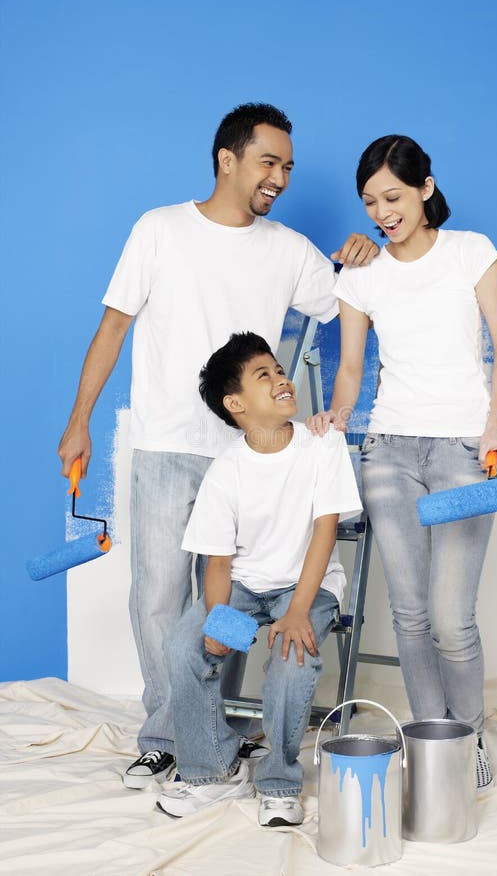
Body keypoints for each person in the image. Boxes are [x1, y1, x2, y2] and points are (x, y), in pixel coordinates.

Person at [57, 103, 377, 789]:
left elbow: (358, 304)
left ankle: (207, 731)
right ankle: (167, 735)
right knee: (157, 598)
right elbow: (112, 328)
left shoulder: (289, 250)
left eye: (288, 166)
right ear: (228, 159)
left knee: (227, 596)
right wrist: (79, 419)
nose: (281, 178)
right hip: (168, 441)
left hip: (252, 453)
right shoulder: (159, 229)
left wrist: (364, 255)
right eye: (270, 161)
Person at [308, 134, 497, 792]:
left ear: (426, 187)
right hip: (388, 452)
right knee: (409, 614)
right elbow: (348, 369)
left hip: (461, 446)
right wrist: (332, 420)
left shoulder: (470, 252)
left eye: (394, 196)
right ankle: (434, 744)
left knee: (452, 616)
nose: (383, 212)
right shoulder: (360, 274)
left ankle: (471, 734)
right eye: (371, 202)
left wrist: (493, 428)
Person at [155, 332, 361, 826]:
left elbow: (324, 532)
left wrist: (296, 611)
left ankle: (279, 781)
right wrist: (221, 624)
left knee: (292, 657)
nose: (281, 380)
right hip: (243, 586)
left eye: (279, 370)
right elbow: (219, 565)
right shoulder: (226, 471)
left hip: (305, 586)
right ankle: (214, 772)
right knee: (186, 645)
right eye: (263, 375)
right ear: (235, 404)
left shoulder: (322, 442)